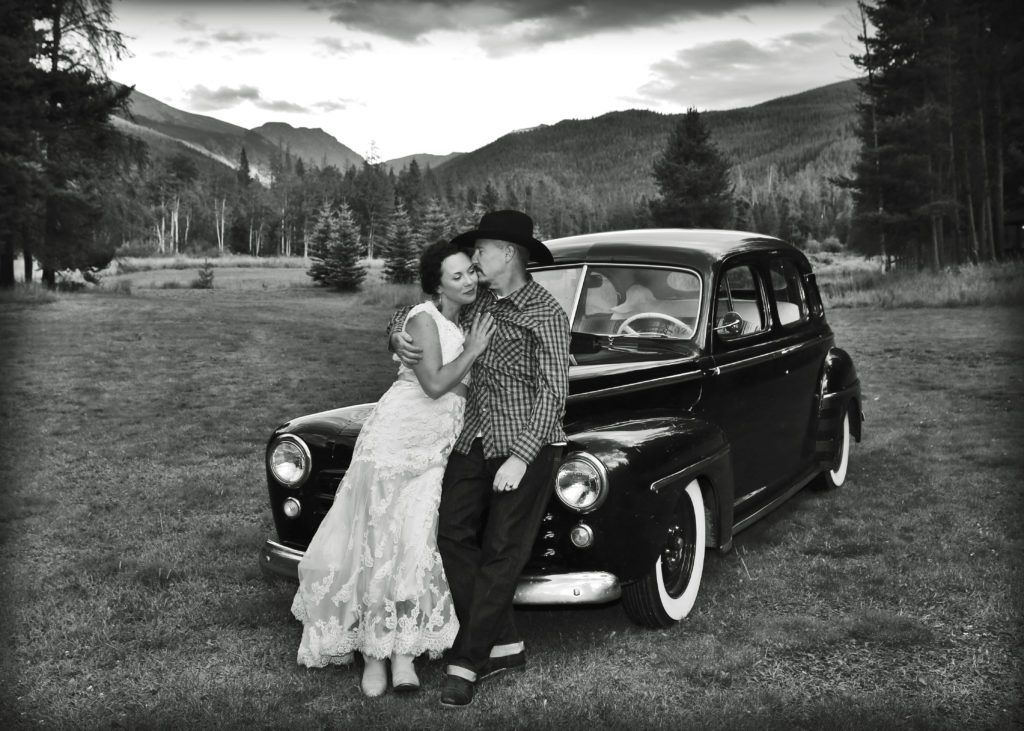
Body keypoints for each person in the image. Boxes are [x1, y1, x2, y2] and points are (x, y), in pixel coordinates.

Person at [291, 239, 495, 697]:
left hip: (434, 449)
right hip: (395, 440)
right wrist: (475, 349)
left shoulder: (465, 320)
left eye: (470, 272)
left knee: (415, 543)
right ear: (436, 285)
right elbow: (436, 382)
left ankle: (403, 652)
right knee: (378, 543)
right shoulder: (424, 319)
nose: (468, 281)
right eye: (456, 275)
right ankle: (373, 659)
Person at [389, 210, 570, 708]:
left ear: (507, 253)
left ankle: (468, 662)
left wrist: (521, 458)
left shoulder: (547, 314)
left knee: (502, 550)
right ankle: (506, 642)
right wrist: (395, 336)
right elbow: (428, 314)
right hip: (472, 441)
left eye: (481, 252)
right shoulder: (480, 300)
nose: (474, 261)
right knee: (451, 533)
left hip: (526, 445)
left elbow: (554, 395)